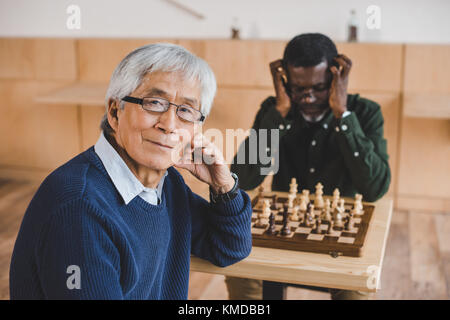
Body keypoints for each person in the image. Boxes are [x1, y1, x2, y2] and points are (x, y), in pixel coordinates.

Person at [9, 43, 252, 300]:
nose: (169, 125)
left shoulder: (166, 185)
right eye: (155, 103)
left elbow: (229, 248)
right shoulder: (79, 208)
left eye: (185, 111)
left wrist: (224, 187)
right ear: (115, 112)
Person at [226, 33, 391, 300]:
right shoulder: (275, 110)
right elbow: (244, 179)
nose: (309, 97)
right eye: (298, 88)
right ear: (285, 81)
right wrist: (279, 112)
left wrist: (343, 115)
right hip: (281, 229)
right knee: (238, 269)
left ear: (337, 78)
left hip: (341, 233)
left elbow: (375, 189)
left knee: (357, 285)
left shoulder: (365, 113)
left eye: (319, 87)